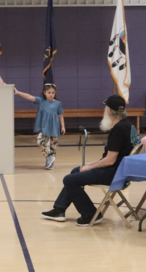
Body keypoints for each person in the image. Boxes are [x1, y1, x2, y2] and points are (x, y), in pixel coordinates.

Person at [41, 95, 139, 226]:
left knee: (69, 180)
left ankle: (90, 214)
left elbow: (110, 161)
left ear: (109, 111)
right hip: (122, 171)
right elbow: (110, 158)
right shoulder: (128, 125)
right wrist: (90, 164)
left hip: (115, 173)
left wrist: (90, 167)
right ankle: (59, 209)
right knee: (76, 171)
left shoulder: (119, 130)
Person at [14, 84, 64, 170]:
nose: (51, 94)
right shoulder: (41, 101)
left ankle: (50, 164)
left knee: (53, 147)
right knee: (39, 141)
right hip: (44, 127)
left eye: (53, 92)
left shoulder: (58, 103)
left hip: (54, 128)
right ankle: (48, 157)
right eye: (49, 92)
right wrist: (18, 92)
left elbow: (61, 115)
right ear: (45, 93)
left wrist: (63, 126)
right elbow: (29, 97)